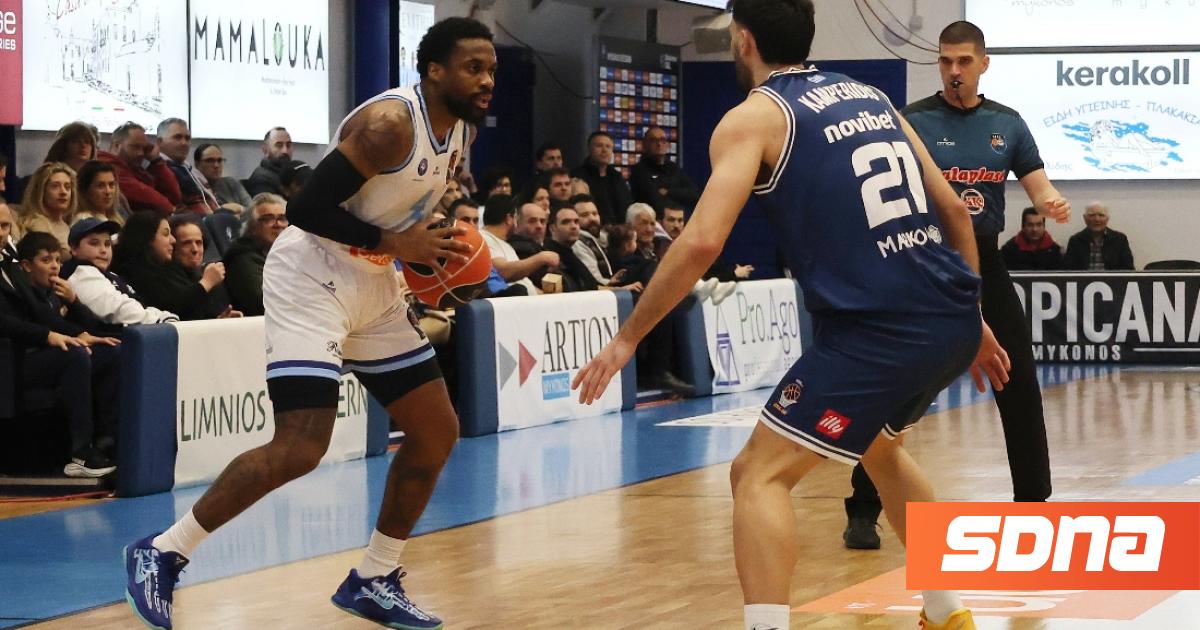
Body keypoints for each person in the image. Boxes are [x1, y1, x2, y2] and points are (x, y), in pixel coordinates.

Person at [572, 3, 1012, 629]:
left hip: (880, 331)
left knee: (758, 474)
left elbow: (701, 241)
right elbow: (957, 212)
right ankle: (946, 612)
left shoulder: (753, 117)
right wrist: (972, 316)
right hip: (949, 312)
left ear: (743, 40)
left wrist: (626, 339)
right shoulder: (871, 97)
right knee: (880, 450)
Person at [123, 17, 497, 630]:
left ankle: (374, 577)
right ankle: (163, 551)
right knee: (301, 444)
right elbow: (305, 208)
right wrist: (397, 243)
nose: (486, 81)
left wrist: (431, 246)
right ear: (434, 71)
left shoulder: (461, 130)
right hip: (311, 274)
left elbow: (396, 209)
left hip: (373, 280)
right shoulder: (390, 125)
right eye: (473, 68)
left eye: (491, 71)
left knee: (436, 430)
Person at [840, 20, 1071, 552]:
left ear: (983, 64)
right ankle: (863, 509)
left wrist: (1052, 202)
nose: (954, 70)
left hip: (985, 262)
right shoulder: (912, 121)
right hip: (924, 262)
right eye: (945, 61)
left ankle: (1033, 504)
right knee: (897, 386)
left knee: (1017, 379)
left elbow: (1038, 186)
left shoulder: (1007, 124)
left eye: (964, 61)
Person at [111, 213, 239, 321]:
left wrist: (218, 321)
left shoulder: (161, 270)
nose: (172, 240)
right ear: (147, 238)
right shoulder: (139, 274)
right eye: (166, 234)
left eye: (199, 242)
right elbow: (174, 309)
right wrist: (206, 283)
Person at [17, 163, 76, 254]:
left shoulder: (69, 226)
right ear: (41, 191)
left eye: (67, 187)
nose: (63, 192)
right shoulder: (33, 224)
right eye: (55, 186)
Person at [1062, 202, 1134, 271]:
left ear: (1107, 219)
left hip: (1112, 280)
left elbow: (1129, 269)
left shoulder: (1120, 240)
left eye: (1101, 215)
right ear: (1084, 218)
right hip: (1082, 280)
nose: (1097, 219)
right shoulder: (1075, 241)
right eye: (1092, 215)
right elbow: (1068, 270)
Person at [194, 143, 254, 214]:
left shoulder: (231, 183)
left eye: (219, 160)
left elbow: (254, 209)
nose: (216, 165)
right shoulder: (193, 189)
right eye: (210, 160)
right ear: (197, 164)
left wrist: (240, 209)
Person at [73, 161, 127, 227]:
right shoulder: (84, 221)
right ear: (85, 190)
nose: (108, 191)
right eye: (100, 186)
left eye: (111, 185)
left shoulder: (116, 218)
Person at [246, 127, 295, 197]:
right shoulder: (261, 179)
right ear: (265, 150)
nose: (285, 151)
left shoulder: (293, 173)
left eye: (288, 145)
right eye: (279, 145)